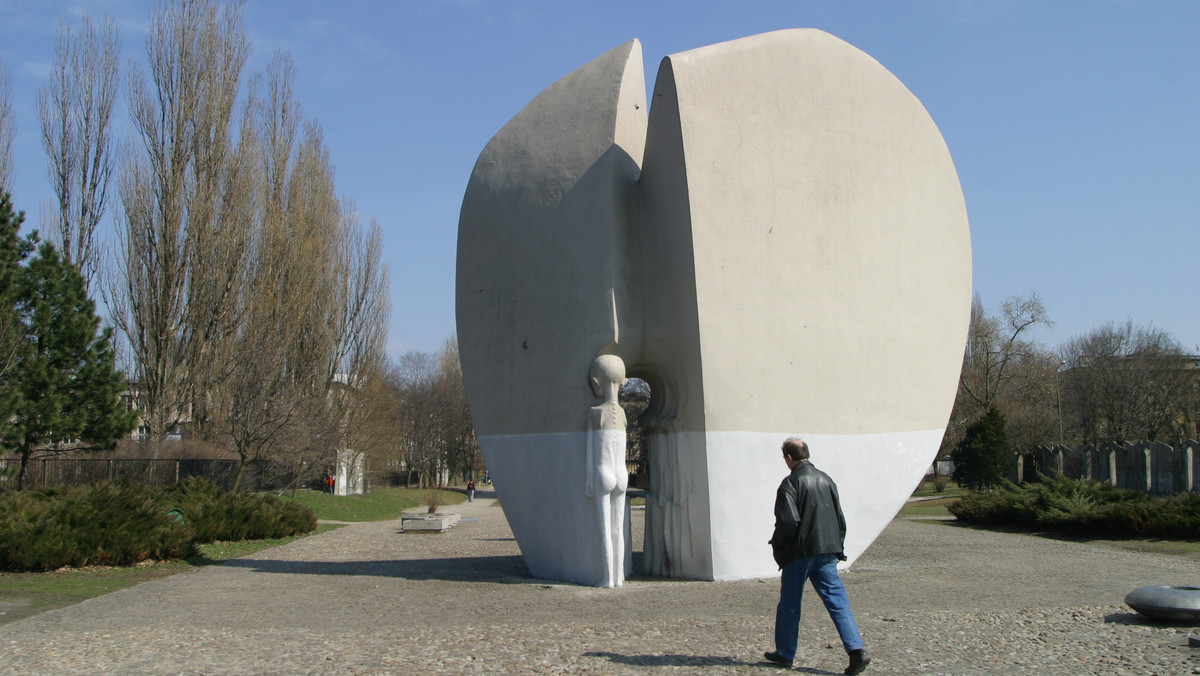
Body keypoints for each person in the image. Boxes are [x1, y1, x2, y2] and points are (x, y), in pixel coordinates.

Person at [765, 437, 870, 674]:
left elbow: (788, 521)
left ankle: (785, 653)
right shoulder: (826, 479)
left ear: (789, 458)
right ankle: (857, 651)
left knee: (790, 604)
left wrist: (778, 546)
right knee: (838, 603)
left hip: (799, 552)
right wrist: (837, 545)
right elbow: (839, 517)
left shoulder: (790, 483)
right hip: (827, 550)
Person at [585, 354, 628, 588]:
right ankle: (619, 577)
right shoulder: (622, 414)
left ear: (596, 381)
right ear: (624, 382)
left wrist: (588, 480)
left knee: (605, 532)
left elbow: (591, 453)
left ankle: (607, 578)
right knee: (617, 530)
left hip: (603, 474)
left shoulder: (594, 413)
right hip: (622, 475)